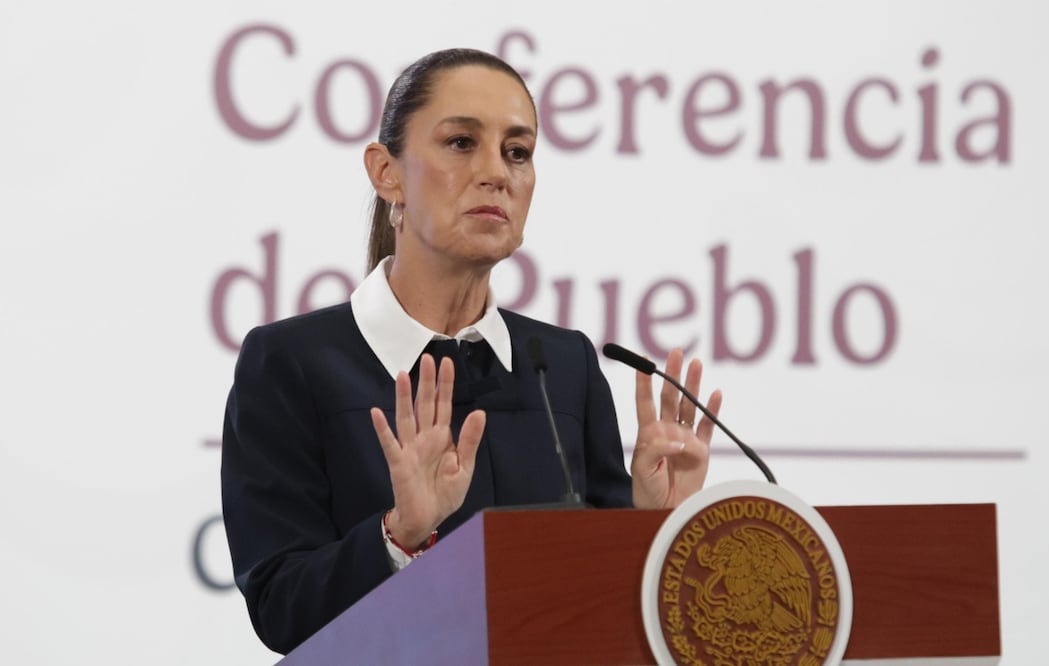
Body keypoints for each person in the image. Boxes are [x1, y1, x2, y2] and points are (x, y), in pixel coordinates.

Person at [220, 47, 723, 655]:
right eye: (461, 143)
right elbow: (281, 608)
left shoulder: (561, 367)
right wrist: (398, 537)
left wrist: (653, 528)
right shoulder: (293, 363)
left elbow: (603, 613)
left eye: (518, 152)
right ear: (387, 173)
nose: (497, 173)